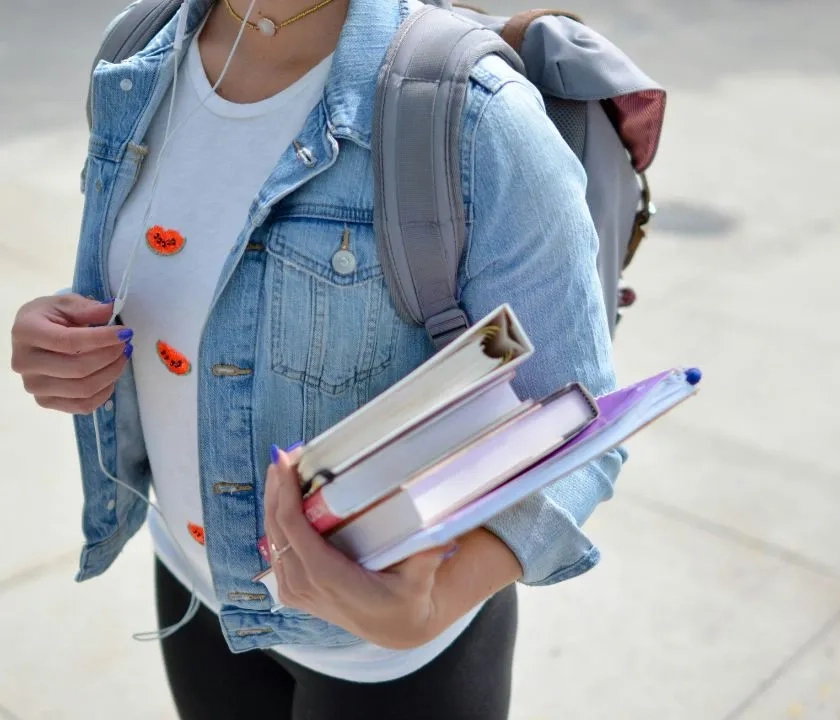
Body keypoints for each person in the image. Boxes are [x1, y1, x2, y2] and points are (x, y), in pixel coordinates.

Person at [9, 0, 624, 717]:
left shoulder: (475, 116)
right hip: (193, 581)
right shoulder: (138, 52)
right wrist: (62, 335)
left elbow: (576, 422)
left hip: (390, 659)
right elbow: (177, 276)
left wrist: (428, 608)